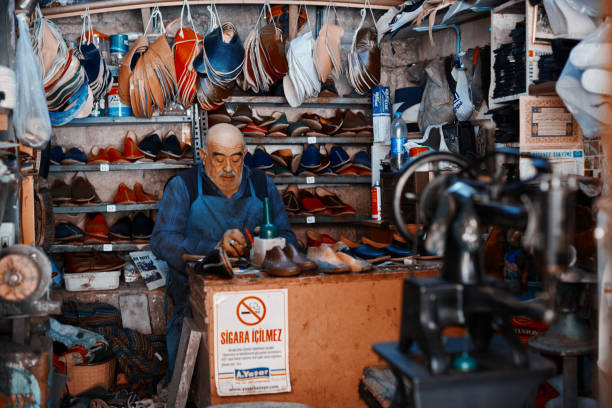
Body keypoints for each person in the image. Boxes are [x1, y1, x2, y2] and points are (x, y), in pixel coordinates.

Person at [151, 122, 297, 379]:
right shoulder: (183, 186)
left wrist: (254, 243)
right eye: (219, 159)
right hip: (193, 293)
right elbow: (162, 240)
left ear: (244, 155)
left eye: (236, 158)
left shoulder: (262, 186)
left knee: (257, 372)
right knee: (196, 380)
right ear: (204, 155)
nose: (228, 169)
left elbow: (288, 238)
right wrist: (213, 248)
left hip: (254, 294)